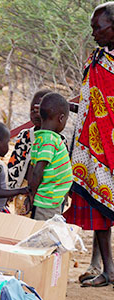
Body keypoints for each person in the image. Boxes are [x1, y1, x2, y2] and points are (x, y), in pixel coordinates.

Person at [64, 2, 114, 287]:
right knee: (100, 204)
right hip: (95, 145)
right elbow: (91, 99)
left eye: (98, 27)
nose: (93, 33)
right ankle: (107, 269)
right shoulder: (97, 59)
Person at [26, 93, 72, 220]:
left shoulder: (40, 138)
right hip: (47, 202)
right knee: (44, 234)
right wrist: (32, 195)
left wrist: (30, 191)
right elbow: (37, 171)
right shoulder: (50, 140)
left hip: (50, 199)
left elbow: (32, 166)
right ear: (61, 118)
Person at [7, 89, 51, 215]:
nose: (36, 115)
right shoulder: (25, 135)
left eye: (41, 111)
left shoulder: (58, 140)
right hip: (23, 188)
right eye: (33, 110)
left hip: (47, 191)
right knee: (22, 222)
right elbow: (14, 163)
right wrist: (11, 188)